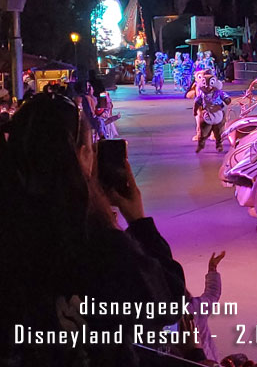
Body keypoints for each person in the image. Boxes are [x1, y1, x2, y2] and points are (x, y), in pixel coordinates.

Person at [0, 94, 186, 366]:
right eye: (90, 147)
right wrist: (138, 223)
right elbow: (169, 302)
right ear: (84, 157)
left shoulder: (11, 241)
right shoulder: (101, 247)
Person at [185, 251, 226, 362]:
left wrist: (212, 269)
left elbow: (212, 294)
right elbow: (212, 294)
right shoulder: (194, 307)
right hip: (206, 360)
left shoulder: (194, 307)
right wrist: (212, 269)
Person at [195, 72, 233, 152]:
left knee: (219, 132)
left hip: (218, 113)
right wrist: (195, 111)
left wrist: (227, 100)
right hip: (207, 113)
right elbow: (197, 102)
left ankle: (219, 145)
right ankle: (201, 144)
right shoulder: (202, 94)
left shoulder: (219, 92)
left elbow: (226, 98)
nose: (207, 86)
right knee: (204, 132)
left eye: (210, 84)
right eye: (205, 84)